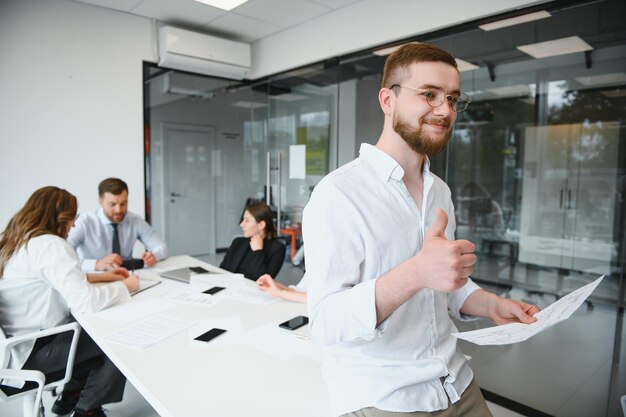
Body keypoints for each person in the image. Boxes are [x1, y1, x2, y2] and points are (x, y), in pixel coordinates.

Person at [303, 43, 540, 417]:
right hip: (385, 397)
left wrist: (492, 304)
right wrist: (416, 272)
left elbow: (445, 289)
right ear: (388, 100)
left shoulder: (439, 191)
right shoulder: (338, 194)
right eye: (429, 94)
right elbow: (326, 321)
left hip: (456, 381)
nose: (445, 110)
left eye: (452, 98)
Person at [0, 186, 139, 417]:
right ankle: (88, 410)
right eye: (72, 218)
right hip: (33, 353)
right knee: (120, 336)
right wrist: (125, 286)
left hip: (12, 349)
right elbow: (87, 302)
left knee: (90, 330)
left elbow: (47, 281)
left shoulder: (15, 241)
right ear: (59, 217)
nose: (73, 225)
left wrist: (105, 276)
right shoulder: (50, 245)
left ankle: (71, 396)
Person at [67, 177, 168, 271]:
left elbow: (162, 247)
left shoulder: (135, 220)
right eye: (112, 204)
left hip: (126, 275)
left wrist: (154, 255)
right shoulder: (84, 222)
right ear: (100, 202)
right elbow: (64, 256)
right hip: (94, 277)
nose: (119, 210)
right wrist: (96, 264)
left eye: (123, 203)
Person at [220, 202, 285, 281]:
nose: (241, 224)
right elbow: (222, 271)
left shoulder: (277, 249)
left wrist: (257, 251)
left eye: (247, 221)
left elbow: (263, 282)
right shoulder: (237, 242)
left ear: (261, 225)